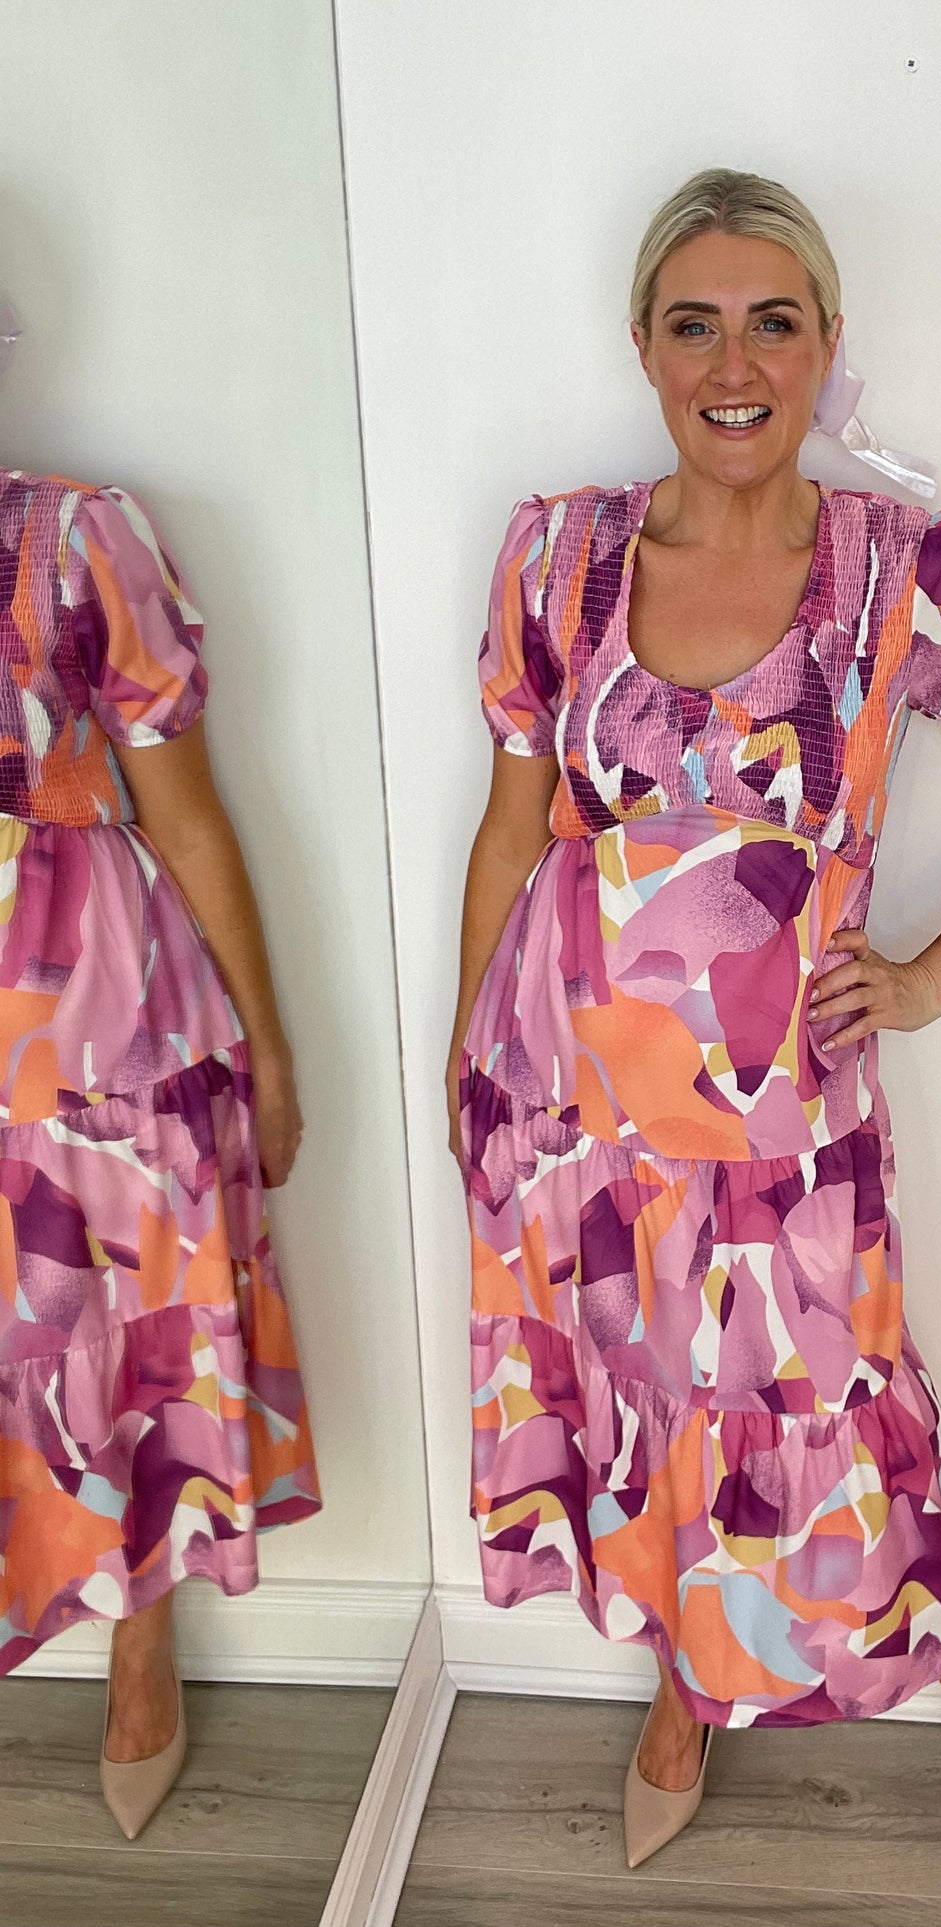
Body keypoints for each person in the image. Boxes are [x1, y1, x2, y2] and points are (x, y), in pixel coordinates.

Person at [446, 170, 941, 1926]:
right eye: (694, 326)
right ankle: (684, 1694)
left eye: (771, 324)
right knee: (651, 1402)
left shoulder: (899, 574)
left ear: (824, 346)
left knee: (849, 1430)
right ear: (642, 348)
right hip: (574, 1104)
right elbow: (512, 836)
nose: (732, 366)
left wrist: (933, 976)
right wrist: (466, 1063)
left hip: (785, 1125)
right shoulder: (556, 556)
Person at [0, 297, 321, 1840]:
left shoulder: (76, 539)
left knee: (114, 1325)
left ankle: (141, 1634)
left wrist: (269, 1048)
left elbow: (185, 812)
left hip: (93, 1010)